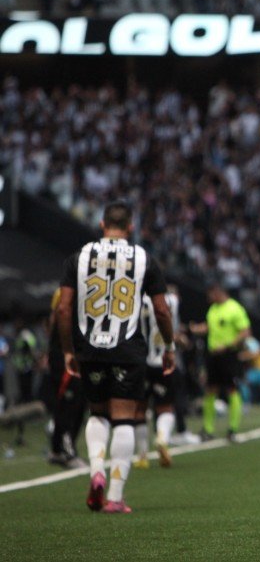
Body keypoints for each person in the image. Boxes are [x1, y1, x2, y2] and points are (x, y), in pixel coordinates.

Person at [57, 201, 176, 513]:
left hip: (90, 347)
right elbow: (161, 309)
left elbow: (62, 307)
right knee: (124, 417)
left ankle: (96, 469)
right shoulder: (143, 258)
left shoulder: (79, 257)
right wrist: (169, 346)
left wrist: (69, 349)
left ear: (101, 224)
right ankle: (115, 496)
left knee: (97, 414)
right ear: (131, 227)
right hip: (127, 349)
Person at [192, 285, 251, 441]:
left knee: (232, 389)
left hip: (229, 355)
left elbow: (245, 331)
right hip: (213, 355)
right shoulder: (212, 309)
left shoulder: (235, 308)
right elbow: (210, 327)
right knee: (210, 389)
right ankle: (208, 429)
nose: (208, 297)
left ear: (218, 292)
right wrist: (198, 328)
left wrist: (228, 344)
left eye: (210, 293)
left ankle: (233, 429)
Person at [132, 287, 181, 469]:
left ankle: (142, 456)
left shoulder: (136, 298)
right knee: (165, 407)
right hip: (163, 360)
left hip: (140, 361)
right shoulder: (172, 300)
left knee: (139, 409)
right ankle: (161, 437)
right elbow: (172, 327)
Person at [45, 287, 88, 469]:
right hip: (66, 355)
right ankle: (67, 451)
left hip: (75, 354)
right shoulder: (65, 292)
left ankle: (57, 449)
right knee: (70, 403)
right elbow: (56, 317)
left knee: (76, 402)